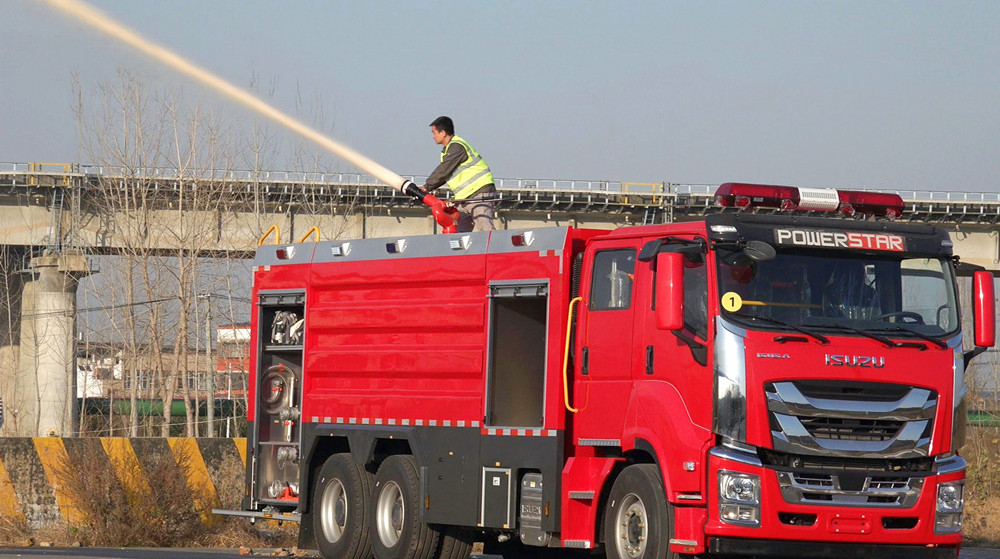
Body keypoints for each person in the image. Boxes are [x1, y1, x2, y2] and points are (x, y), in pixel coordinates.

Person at [420, 116, 497, 232]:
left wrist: (427, 186)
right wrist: (428, 187)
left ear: (443, 133)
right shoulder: (448, 150)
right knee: (457, 232)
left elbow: (444, 169)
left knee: (485, 229)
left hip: (479, 193)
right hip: (464, 198)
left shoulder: (456, 147)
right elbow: (445, 174)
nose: (433, 136)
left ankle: (496, 244)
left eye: (434, 132)